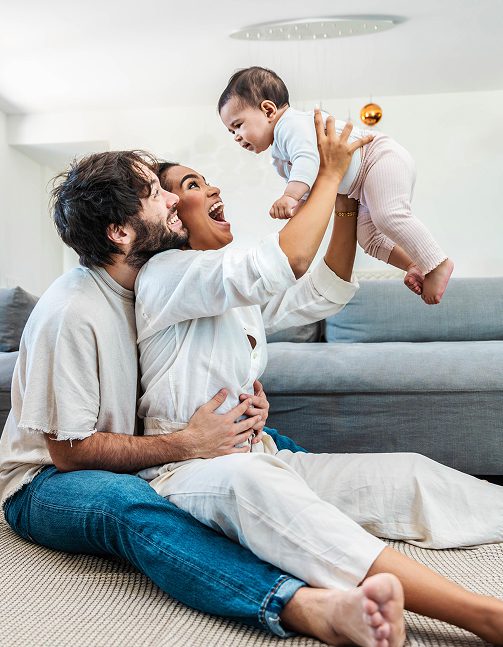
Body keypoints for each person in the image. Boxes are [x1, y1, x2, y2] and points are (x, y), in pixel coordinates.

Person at [0, 146, 406, 647]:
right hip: (42, 480)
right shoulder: (72, 310)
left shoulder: (155, 284)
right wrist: (188, 444)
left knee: (268, 450)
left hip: (138, 448)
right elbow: (69, 453)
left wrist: (242, 413)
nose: (174, 199)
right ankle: (300, 605)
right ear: (120, 232)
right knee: (127, 505)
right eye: (157, 193)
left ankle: (334, 533)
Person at [136, 110, 503, 645]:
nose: (212, 186)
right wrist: (328, 174)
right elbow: (286, 259)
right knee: (262, 493)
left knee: (407, 474)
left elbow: (317, 289)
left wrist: (350, 199)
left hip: (260, 454)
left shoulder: (226, 288)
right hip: (186, 474)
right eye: (191, 184)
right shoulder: (167, 274)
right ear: (169, 215)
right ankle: (483, 614)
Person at [217, 66, 454, 305]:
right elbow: (311, 185)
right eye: (230, 131)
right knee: (369, 239)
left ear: (268, 110)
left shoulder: (290, 125)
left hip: (377, 158)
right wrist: (299, 205)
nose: (236, 136)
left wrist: (289, 196)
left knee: (388, 216)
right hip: (360, 187)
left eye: (238, 125)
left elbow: (307, 160)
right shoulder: (278, 157)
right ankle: (414, 265)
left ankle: (437, 263)